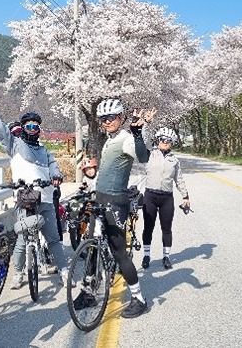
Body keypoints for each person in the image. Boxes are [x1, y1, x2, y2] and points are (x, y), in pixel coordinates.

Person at [0, 89, 69, 288]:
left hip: (45, 199)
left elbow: (54, 168)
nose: (32, 129)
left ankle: (64, 271)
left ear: (38, 129)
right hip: (25, 199)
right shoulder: (14, 144)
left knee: (53, 239)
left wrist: (57, 176)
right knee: (22, 240)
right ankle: (18, 273)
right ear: (23, 128)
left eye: (35, 126)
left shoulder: (45, 151)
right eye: (29, 126)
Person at [80, 98, 151, 318]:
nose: (107, 121)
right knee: (91, 246)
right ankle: (89, 292)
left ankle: (139, 299)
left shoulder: (126, 139)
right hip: (99, 198)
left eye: (111, 117)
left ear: (121, 117)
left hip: (115, 201)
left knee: (119, 252)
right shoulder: (109, 139)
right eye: (103, 119)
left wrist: (138, 133)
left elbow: (143, 156)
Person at [139, 126, 190, 270]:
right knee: (148, 227)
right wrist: (146, 124)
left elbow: (179, 179)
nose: (165, 142)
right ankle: (146, 255)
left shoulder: (174, 160)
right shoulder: (150, 154)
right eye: (162, 139)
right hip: (150, 196)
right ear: (157, 140)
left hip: (167, 198)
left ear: (172, 142)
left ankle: (166, 257)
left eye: (168, 140)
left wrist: (185, 196)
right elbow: (142, 140)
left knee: (166, 229)